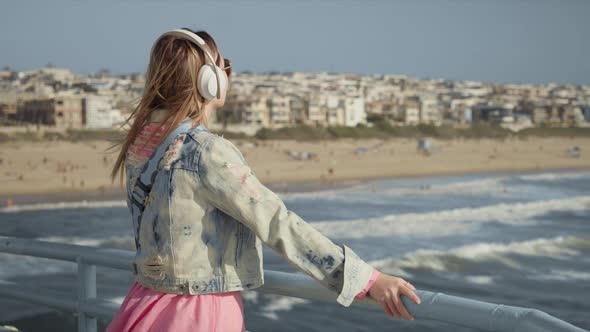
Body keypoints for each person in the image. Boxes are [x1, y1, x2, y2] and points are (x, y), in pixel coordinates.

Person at [106, 27, 421, 332]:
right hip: (197, 311)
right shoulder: (206, 152)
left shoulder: (142, 143)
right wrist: (366, 279)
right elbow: (276, 222)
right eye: (223, 67)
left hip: (144, 303)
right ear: (210, 83)